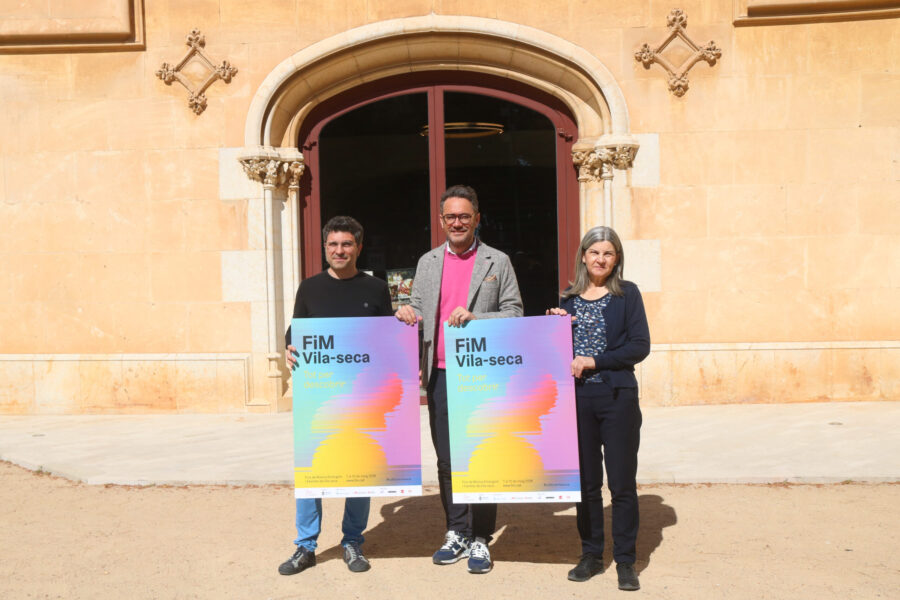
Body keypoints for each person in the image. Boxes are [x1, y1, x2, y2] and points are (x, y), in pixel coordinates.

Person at [395, 184, 523, 574]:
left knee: (482, 456)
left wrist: (476, 318)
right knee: (448, 459)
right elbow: (418, 308)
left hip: (483, 375)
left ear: (477, 219)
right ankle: (457, 531)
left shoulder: (497, 261)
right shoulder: (428, 262)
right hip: (440, 375)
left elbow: (515, 313)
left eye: (464, 216)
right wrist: (406, 313)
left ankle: (481, 537)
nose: (457, 222)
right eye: (450, 216)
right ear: (440, 220)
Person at [279, 216, 393, 576]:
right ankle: (305, 546)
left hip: (362, 397)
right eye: (333, 244)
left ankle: (352, 541)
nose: (339, 250)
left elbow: (388, 339)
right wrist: (289, 348)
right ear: (325, 248)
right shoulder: (309, 288)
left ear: (358, 247)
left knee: (359, 469)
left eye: (346, 244)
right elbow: (295, 332)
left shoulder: (376, 288)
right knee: (311, 469)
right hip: (320, 397)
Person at [546, 226, 650, 591]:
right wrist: (554, 327)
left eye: (608, 253)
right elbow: (556, 353)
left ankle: (625, 560)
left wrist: (595, 361)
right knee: (587, 484)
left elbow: (639, 346)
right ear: (583, 256)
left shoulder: (627, 294)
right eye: (594, 252)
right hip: (578, 401)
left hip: (617, 399)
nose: (600, 259)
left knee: (621, 484)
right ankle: (591, 555)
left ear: (617, 258)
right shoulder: (569, 298)